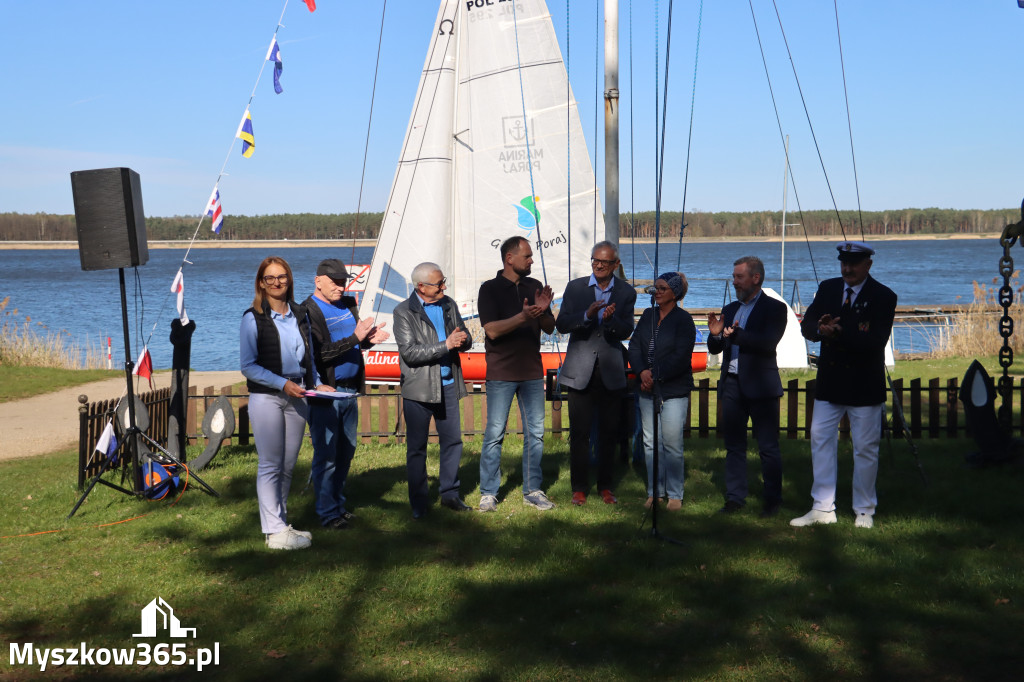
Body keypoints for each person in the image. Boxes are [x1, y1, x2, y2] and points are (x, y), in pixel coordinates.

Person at [791, 241, 897, 529]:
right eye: (843, 262)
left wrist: (839, 333)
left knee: (865, 449)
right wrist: (819, 329)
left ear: (868, 265)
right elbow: (807, 323)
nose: (847, 269)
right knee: (820, 440)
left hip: (864, 384)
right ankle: (823, 508)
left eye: (853, 263)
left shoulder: (883, 297)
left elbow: (875, 341)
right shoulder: (828, 288)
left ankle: (864, 510)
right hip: (831, 381)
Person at [240, 256, 330, 550]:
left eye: (282, 277)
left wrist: (315, 382)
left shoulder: (299, 314)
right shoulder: (252, 317)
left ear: (289, 280)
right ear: (261, 283)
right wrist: (282, 384)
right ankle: (274, 531)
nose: (277, 282)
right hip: (268, 397)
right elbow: (248, 366)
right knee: (270, 464)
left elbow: (310, 357)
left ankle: (281, 526)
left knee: (288, 465)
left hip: (299, 394)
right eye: (270, 278)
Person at [303, 258, 389, 530]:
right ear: (318, 281)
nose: (341, 287)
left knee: (346, 452)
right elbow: (319, 354)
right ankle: (327, 514)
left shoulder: (348, 304)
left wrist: (366, 340)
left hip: (350, 390)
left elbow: (352, 341)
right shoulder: (308, 310)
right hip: (326, 393)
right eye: (335, 282)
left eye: (344, 282)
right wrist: (355, 337)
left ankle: (337, 505)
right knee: (326, 455)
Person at [477, 236, 556, 511]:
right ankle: (488, 492)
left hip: (532, 372)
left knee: (535, 433)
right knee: (495, 433)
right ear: (510, 258)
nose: (532, 260)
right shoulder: (489, 289)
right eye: (527, 256)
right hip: (501, 372)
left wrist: (543, 312)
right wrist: (523, 317)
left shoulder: (534, 287)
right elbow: (492, 330)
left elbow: (548, 327)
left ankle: (533, 489)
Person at [555, 241, 636, 505]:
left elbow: (626, 331)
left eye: (604, 262)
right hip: (579, 371)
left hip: (610, 371)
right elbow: (563, 324)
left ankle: (605, 486)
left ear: (616, 265)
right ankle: (579, 487)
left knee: (609, 432)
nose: (598, 265)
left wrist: (611, 321)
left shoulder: (625, 292)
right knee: (579, 433)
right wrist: (587, 316)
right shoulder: (576, 288)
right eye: (594, 261)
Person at [707, 256, 788, 517]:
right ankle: (734, 499)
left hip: (761, 386)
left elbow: (767, 343)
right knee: (734, 446)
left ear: (756, 278)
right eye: (733, 277)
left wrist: (736, 335)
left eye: (739, 277)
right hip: (732, 384)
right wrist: (716, 334)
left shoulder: (775, 308)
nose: (734, 282)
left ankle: (772, 500)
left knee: (767, 447)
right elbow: (716, 348)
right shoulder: (730, 309)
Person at [393, 262, 474, 519]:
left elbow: (465, 337)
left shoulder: (448, 303)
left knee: (453, 442)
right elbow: (410, 353)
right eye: (439, 284)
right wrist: (446, 345)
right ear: (421, 287)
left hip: (448, 385)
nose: (444, 287)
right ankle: (419, 504)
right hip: (419, 390)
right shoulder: (403, 312)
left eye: (443, 281)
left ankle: (450, 494)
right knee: (417, 448)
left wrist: (463, 341)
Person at [627, 272, 695, 510]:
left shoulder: (684, 320)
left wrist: (655, 375)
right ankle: (654, 492)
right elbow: (634, 346)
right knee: (650, 442)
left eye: (662, 288)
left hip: (673, 390)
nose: (656, 292)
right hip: (646, 388)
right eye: (655, 288)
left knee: (672, 442)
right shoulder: (648, 315)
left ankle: (675, 494)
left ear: (674, 294)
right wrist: (642, 372)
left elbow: (681, 357)